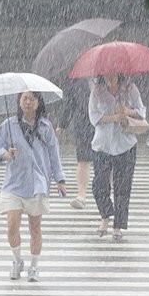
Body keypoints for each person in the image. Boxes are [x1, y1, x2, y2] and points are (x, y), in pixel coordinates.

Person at [0, 91, 67, 282]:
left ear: (38, 102)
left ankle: (34, 266)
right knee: (12, 226)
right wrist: (6, 154)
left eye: (32, 99)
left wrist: (60, 180)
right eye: (24, 98)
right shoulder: (8, 125)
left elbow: (54, 154)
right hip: (14, 183)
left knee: (35, 227)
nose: (28, 102)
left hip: (38, 183)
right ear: (19, 102)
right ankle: (17, 260)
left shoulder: (46, 127)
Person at [89, 73, 146, 241]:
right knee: (99, 185)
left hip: (125, 144)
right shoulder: (96, 92)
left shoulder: (130, 89)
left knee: (123, 187)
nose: (110, 75)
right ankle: (106, 215)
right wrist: (115, 117)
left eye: (113, 71)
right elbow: (94, 117)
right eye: (106, 72)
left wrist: (128, 111)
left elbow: (142, 111)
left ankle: (118, 225)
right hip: (102, 145)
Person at [58, 78, 95, 209]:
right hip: (83, 125)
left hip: (105, 126)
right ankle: (81, 195)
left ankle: (108, 192)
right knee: (83, 160)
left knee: (107, 162)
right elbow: (70, 104)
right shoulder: (77, 82)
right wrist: (63, 125)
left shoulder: (109, 78)